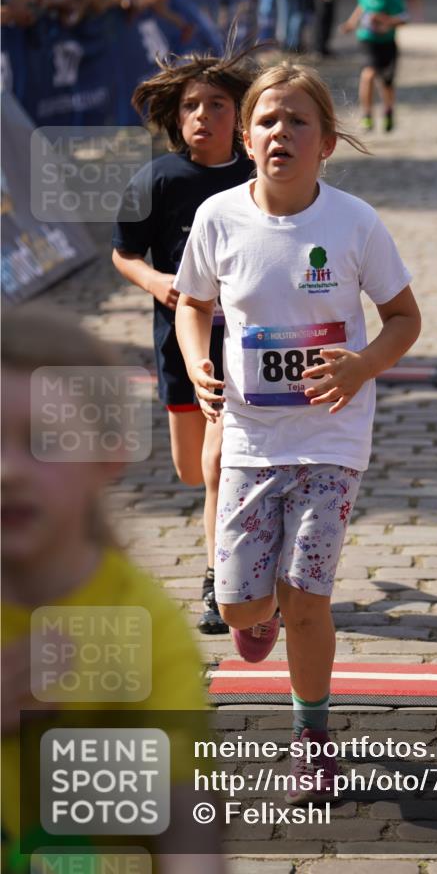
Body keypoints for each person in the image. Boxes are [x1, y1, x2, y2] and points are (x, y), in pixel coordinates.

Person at [173, 63, 421, 800]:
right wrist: (196, 364)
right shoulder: (218, 218)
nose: (281, 132)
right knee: (238, 608)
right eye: (268, 121)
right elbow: (192, 304)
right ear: (245, 139)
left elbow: (404, 317)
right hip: (250, 439)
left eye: (298, 122)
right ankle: (258, 610)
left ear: (327, 144)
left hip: (331, 440)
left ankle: (312, 739)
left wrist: (360, 367)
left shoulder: (353, 222)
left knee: (308, 598)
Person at [1, 305, 219, 873]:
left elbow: (185, 822)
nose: (9, 471)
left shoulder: (142, 625)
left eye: (44, 440)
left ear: (109, 455)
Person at [111, 52, 255, 635]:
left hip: (247, 344)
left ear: (239, 114)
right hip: (181, 344)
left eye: (217, 104)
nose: (203, 115)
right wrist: (154, 281)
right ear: (175, 116)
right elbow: (123, 252)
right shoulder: (159, 180)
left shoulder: (258, 172)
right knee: (194, 471)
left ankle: (220, 582)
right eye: (191, 105)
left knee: (221, 465)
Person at [340, 0, 408, 132]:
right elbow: (361, 7)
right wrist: (351, 23)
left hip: (387, 44)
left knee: (386, 82)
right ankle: (367, 114)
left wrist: (385, 20)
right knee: (368, 75)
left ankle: (388, 110)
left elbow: (403, 19)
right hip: (367, 41)